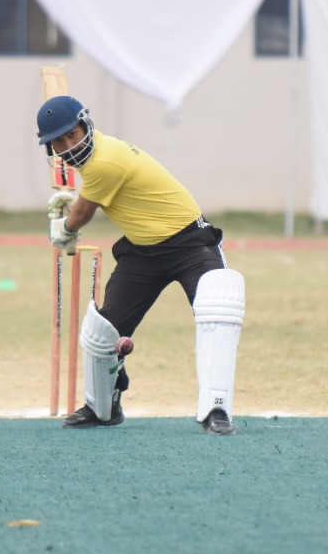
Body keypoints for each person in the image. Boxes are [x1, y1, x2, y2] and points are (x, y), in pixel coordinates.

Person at [36, 95, 244, 434]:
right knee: (104, 332)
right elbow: (89, 199)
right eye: (59, 141)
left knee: (218, 308)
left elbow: (84, 212)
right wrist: (72, 211)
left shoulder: (105, 160)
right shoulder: (95, 162)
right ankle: (103, 408)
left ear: (85, 126)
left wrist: (64, 229)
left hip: (190, 243)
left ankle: (216, 410)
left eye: (72, 135)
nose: (69, 145)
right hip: (143, 251)